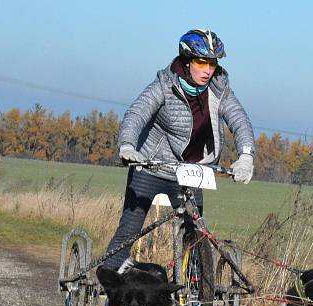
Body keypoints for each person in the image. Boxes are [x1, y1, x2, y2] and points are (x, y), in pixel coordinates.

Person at [102, 28, 255, 271]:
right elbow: (136, 113)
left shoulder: (219, 88)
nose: (207, 70)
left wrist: (246, 155)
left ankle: (193, 292)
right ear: (186, 61)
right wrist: (128, 145)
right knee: (129, 232)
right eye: (200, 62)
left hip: (191, 172)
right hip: (151, 167)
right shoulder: (164, 85)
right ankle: (110, 281)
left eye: (212, 64)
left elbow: (239, 120)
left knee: (196, 236)